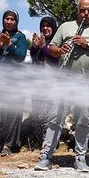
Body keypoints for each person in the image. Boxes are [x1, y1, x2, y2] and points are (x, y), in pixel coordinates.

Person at [34, 0, 89, 172]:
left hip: (87, 83)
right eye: (82, 10)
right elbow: (52, 48)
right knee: (55, 118)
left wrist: (88, 44)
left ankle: (80, 157)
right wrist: (59, 50)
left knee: (83, 120)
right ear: (77, 10)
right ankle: (46, 156)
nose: (85, 13)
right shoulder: (65, 27)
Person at [0, 10, 29, 156]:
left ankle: (9, 145)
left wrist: (9, 45)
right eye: (6, 19)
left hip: (14, 82)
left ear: (16, 22)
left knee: (12, 113)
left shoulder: (20, 37)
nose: (9, 21)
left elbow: (21, 57)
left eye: (12, 19)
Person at [23, 16, 59, 150]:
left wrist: (44, 47)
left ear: (53, 27)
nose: (45, 28)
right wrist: (34, 47)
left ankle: (49, 143)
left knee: (49, 114)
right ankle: (41, 142)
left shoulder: (56, 42)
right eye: (43, 26)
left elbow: (56, 58)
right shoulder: (41, 43)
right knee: (38, 113)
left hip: (50, 85)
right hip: (37, 84)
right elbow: (34, 59)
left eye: (48, 25)